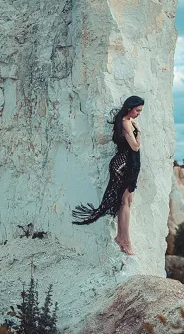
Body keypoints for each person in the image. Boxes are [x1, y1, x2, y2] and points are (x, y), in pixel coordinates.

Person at [72, 96, 144, 256]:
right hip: (123, 165)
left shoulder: (128, 122)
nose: (139, 113)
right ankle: (126, 241)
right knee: (125, 202)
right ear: (129, 108)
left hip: (126, 164)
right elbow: (135, 146)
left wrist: (136, 131)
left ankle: (120, 237)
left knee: (125, 201)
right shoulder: (127, 123)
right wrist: (138, 133)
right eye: (137, 110)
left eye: (140, 111)